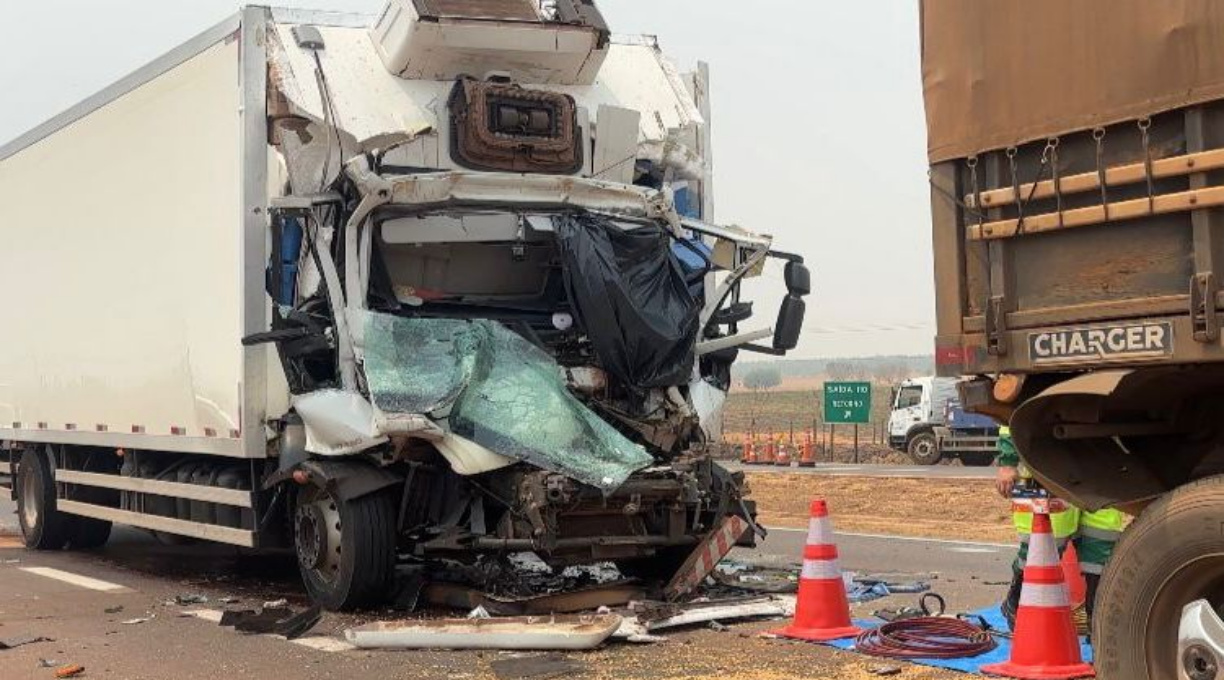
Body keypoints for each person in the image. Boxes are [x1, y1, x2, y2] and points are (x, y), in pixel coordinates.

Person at [995, 425, 1125, 628]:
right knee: (1038, 551)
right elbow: (1011, 415)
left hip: (1101, 470)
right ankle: (1016, 605)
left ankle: (1097, 628)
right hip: (1046, 469)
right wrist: (1008, 462)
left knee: (1101, 555)